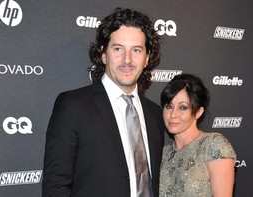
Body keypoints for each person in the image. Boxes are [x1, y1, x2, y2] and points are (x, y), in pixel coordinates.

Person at [42, 7, 165, 197]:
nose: (127, 60)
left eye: (136, 50)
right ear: (103, 54)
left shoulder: (156, 114)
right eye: (118, 49)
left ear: (147, 58)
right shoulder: (73, 106)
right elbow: (56, 185)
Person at [159, 74, 236, 197]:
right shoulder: (164, 154)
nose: (173, 114)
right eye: (169, 106)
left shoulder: (213, 145)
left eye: (182, 107)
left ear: (198, 112)